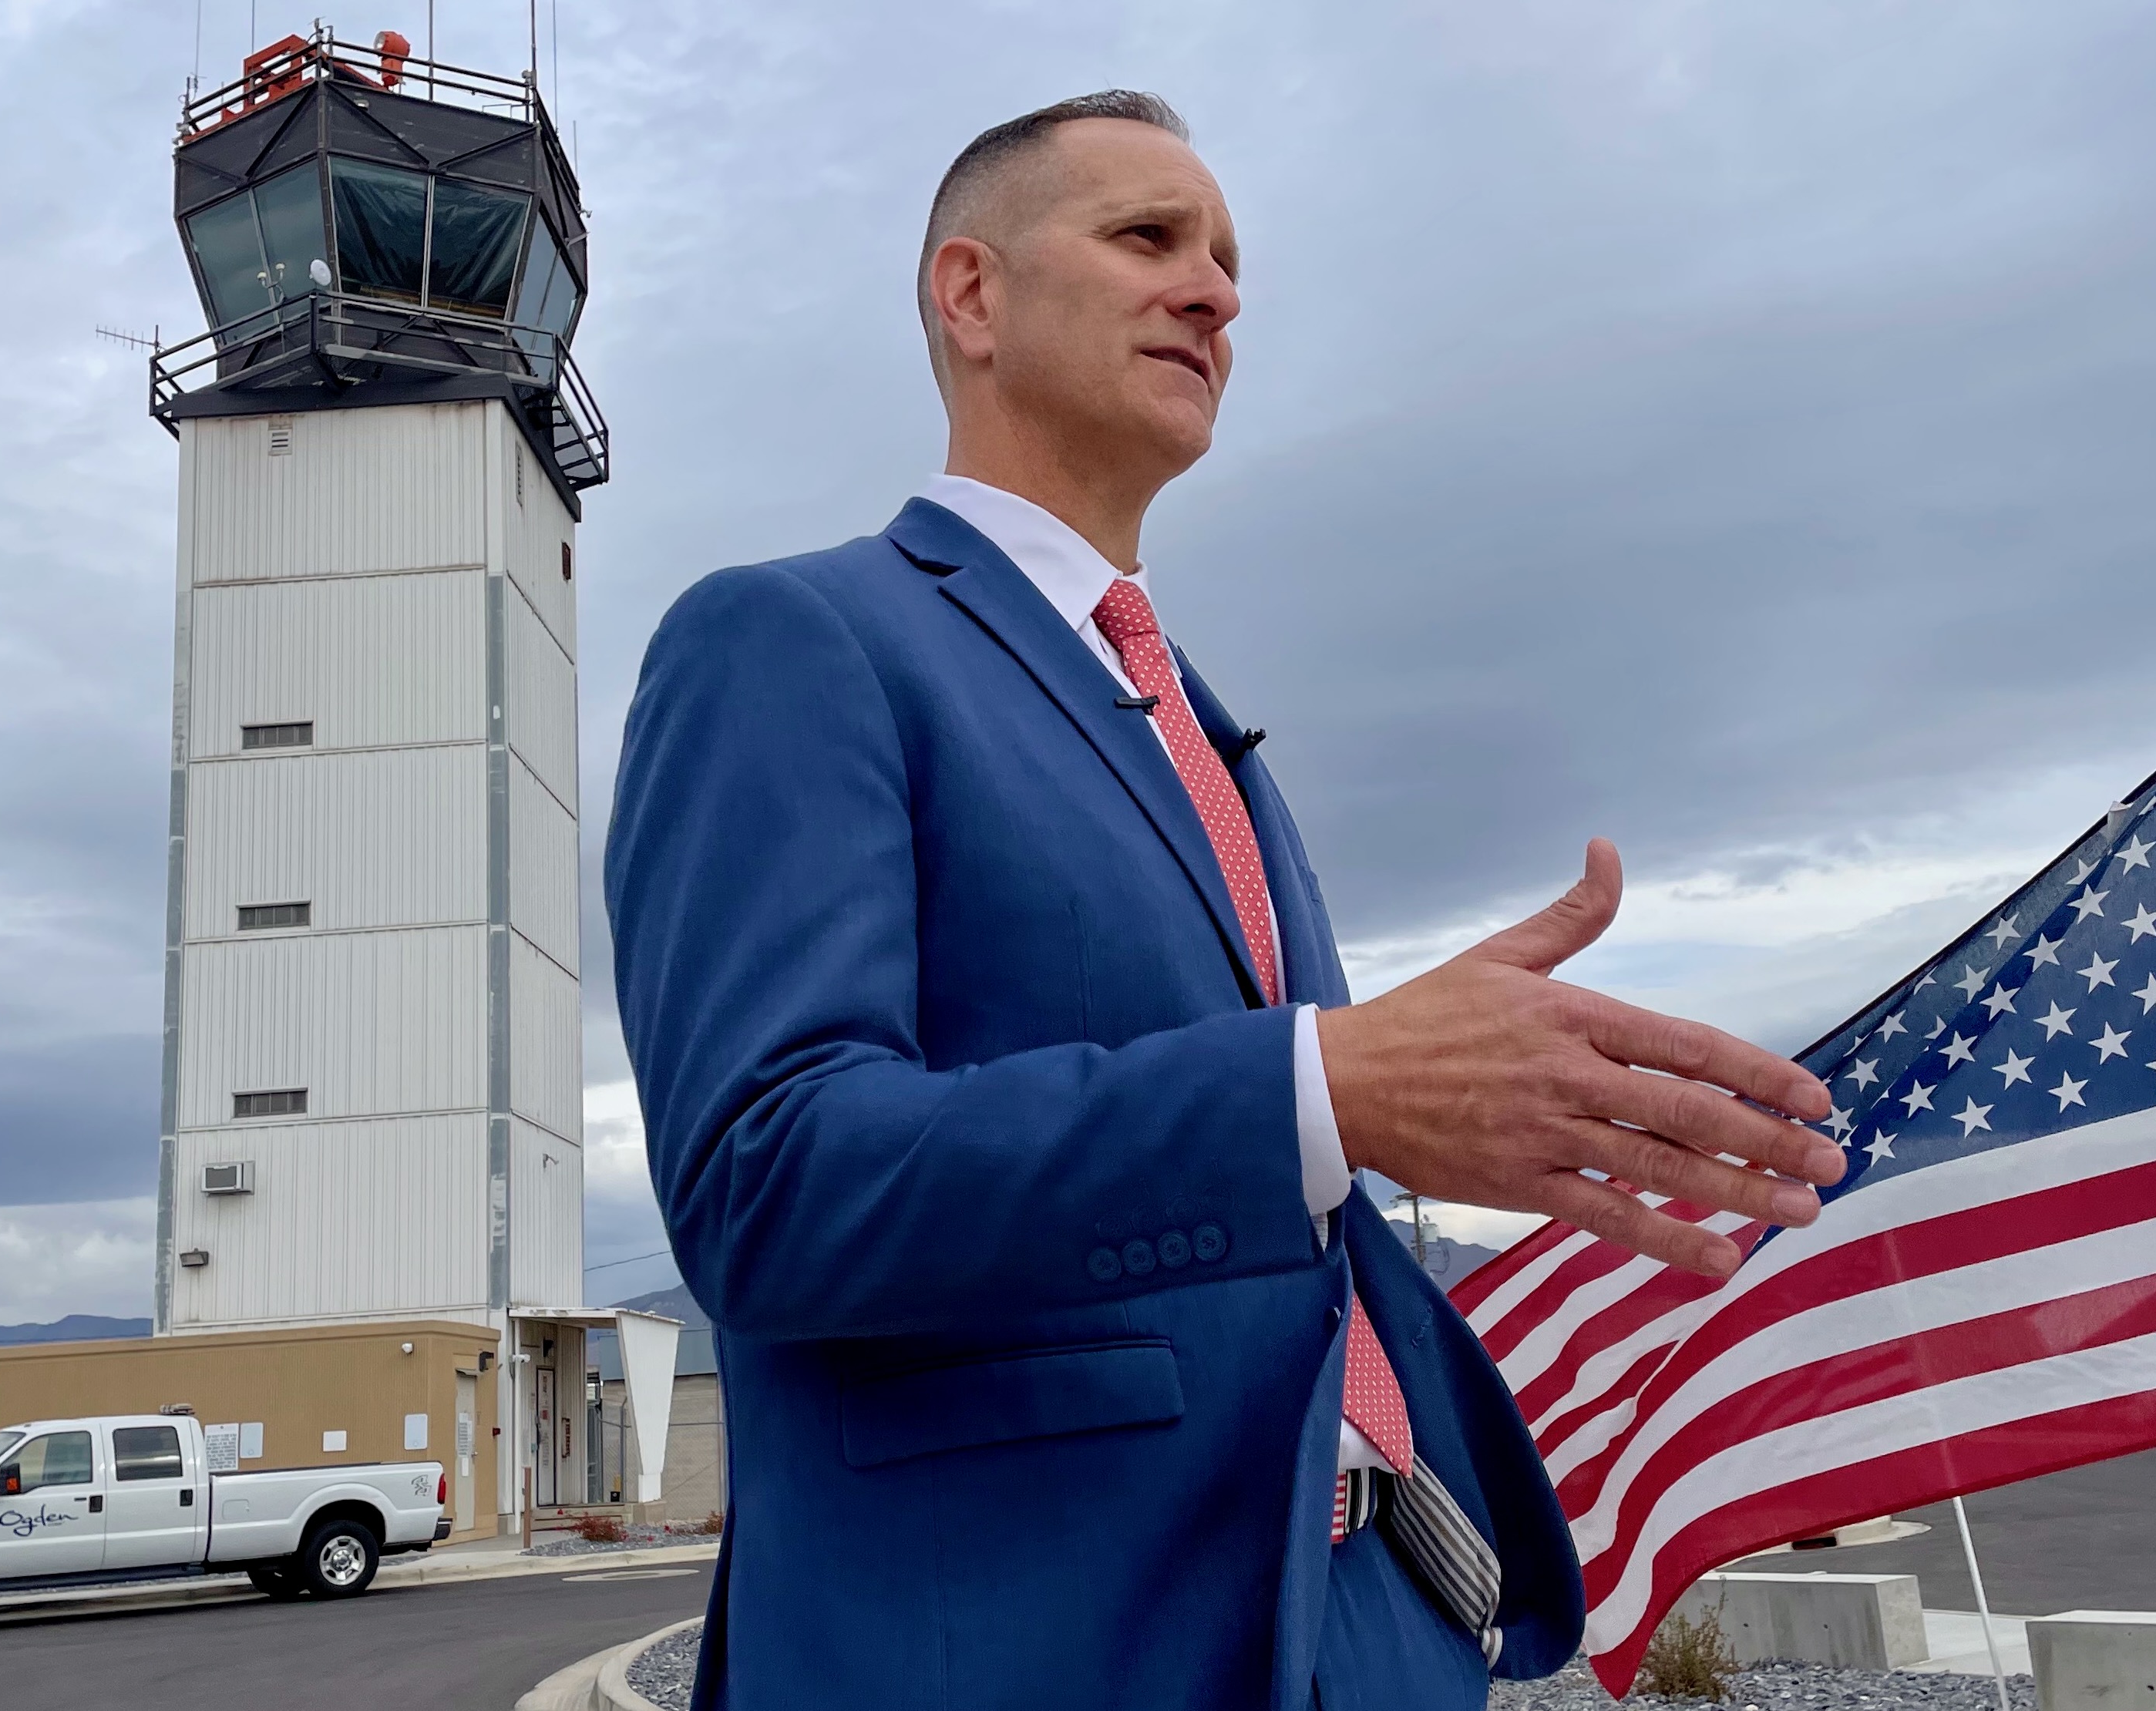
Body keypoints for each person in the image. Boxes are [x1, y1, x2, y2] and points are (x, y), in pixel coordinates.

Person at [606, 90, 1845, 1710]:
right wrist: (1328, 1085)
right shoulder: (788, 640)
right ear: (969, 295)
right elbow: (768, 1184)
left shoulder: (1201, 729)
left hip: (1340, 1630)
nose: (1215, 292)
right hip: (1015, 1645)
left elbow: (1286, 1194)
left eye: (1229, 261)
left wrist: (1436, 1111)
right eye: (1146, 239)